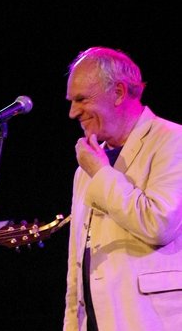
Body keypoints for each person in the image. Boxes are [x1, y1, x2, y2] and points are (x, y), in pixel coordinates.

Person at [63, 46, 182, 330]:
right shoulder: (86, 168)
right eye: (71, 101)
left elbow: (159, 223)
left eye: (81, 99)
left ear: (117, 93)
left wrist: (100, 172)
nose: (72, 112)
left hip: (152, 320)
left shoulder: (173, 140)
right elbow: (76, 269)